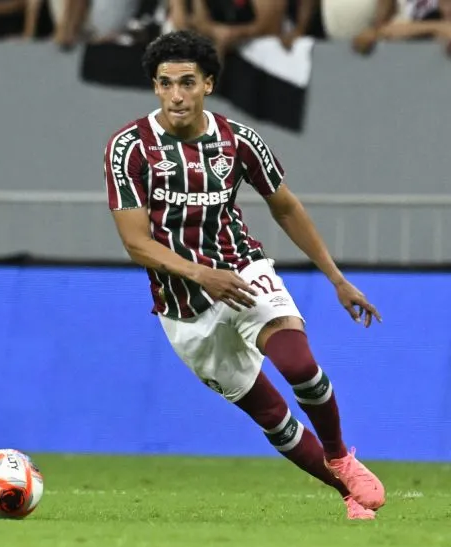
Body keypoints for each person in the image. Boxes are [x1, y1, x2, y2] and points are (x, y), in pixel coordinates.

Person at [103, 30, 385, 521]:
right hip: (183, 309)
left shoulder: (237, 140)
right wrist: (199, 275)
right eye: (166, 83)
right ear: (154, 87)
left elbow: (286, 207)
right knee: (272, 416)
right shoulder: (129, 149)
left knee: (299, 366)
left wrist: (337, 279)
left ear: (208, 84)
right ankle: (344, 491)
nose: (176, 95)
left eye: (187, 82)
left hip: (241, 270)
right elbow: (135, 242)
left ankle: (339, 453)